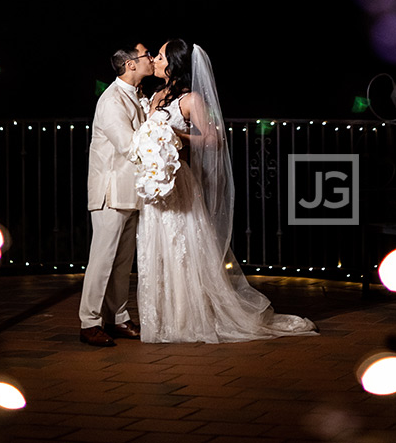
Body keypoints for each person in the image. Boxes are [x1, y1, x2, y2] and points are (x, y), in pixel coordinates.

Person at [136, 38, 318, 342]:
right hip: (155, 184)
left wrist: (175, 135)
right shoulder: (154, 95)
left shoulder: (191, 100)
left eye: (161, 55)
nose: (154, 58)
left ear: (174, 64)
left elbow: (212, 140)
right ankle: (163, 317)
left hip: (179, 183)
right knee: (157, 248)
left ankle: (188, 316)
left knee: (182, 248)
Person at [79, 43, 154, 347]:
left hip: (130, 190)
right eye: (146, 56)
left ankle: (118, 317)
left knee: (123, 262)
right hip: (110, 191)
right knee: (102, 259)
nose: (150, 59)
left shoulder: (136, 96)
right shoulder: (111, 101)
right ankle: (89, 322)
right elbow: (128, 145)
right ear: (130, 65)